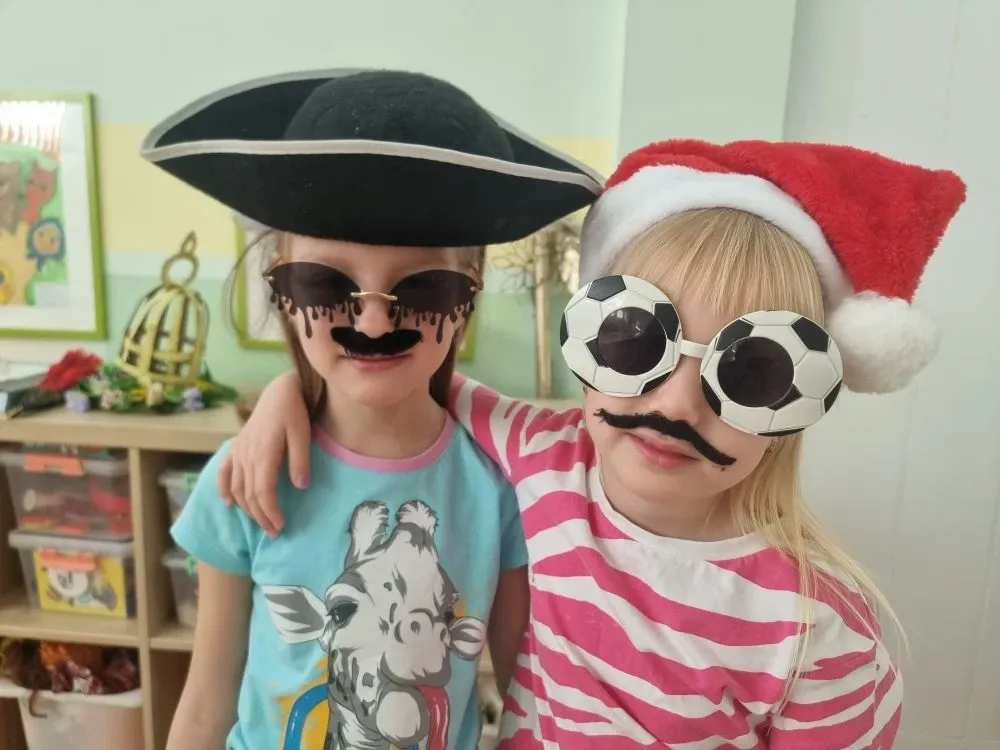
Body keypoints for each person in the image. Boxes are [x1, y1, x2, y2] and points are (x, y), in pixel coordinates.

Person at [217, 138, 967, 748]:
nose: (676, 403)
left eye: (754, 370)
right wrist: (287, 394)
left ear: (802, 398)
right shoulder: (545, 455)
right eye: (636, 340)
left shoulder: (819, 636)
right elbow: (390, 377)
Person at [140, 68, 603, 750]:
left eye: (423, 289)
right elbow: (207, 704)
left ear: (467, 296)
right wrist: (285, 390)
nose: (376, 324)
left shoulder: (499, 487)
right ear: (282, 291)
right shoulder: (243, 481)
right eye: (325, 284)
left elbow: (526, 698)